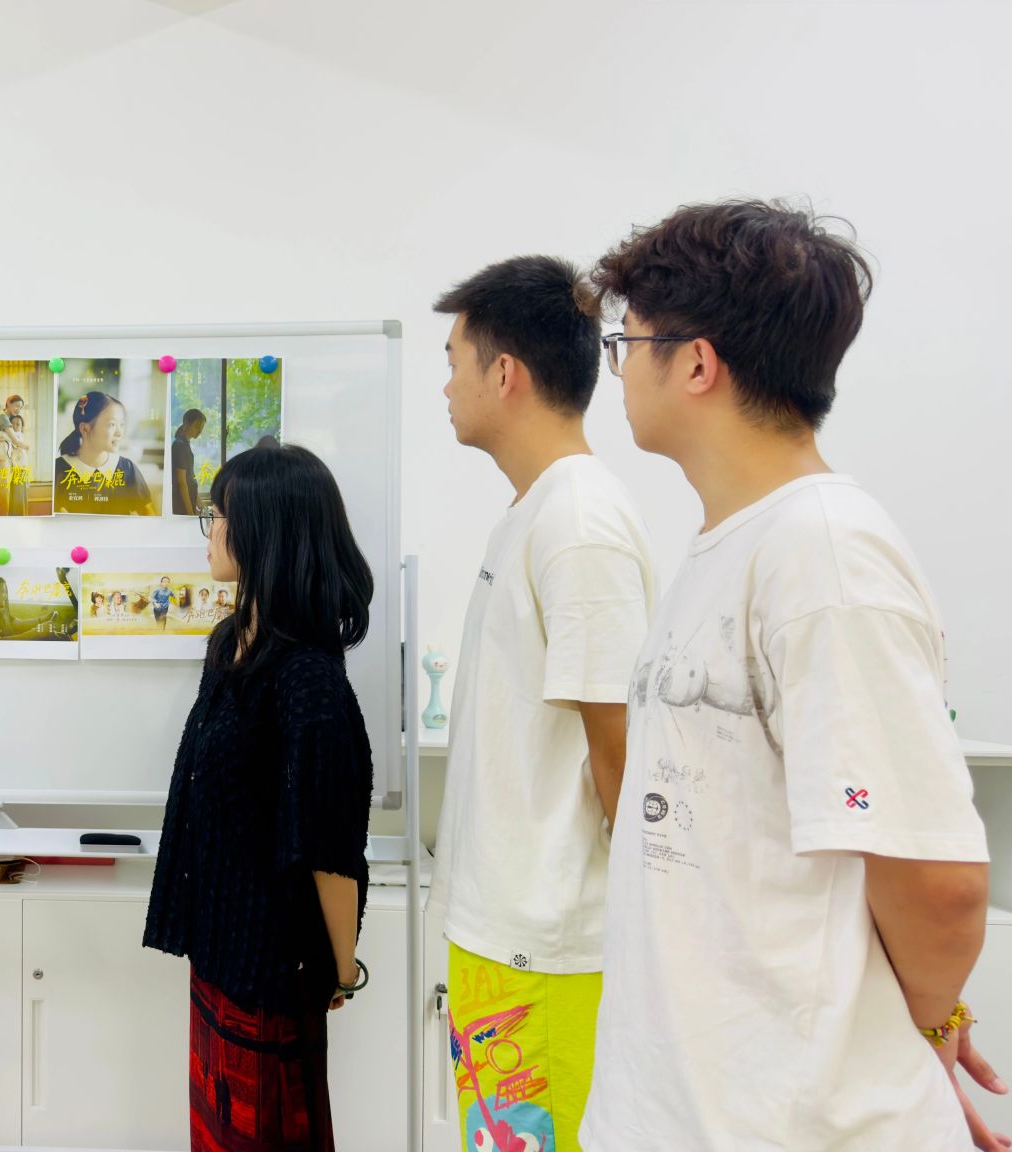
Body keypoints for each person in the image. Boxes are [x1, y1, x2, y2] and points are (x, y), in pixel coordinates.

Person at [581, 201, 1005, 1152]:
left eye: (628, 343)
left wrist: (923, 1028)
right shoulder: (733, 543)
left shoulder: (824, 557)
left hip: (790, 1121)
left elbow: (938, 885)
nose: (620, 370)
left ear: (697, 363)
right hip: (685, 1105)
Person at [424, 255, 657, 1151]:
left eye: (454, 361)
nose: (447, 386)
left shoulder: (579, 522)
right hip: (503, 937)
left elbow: (622, 751)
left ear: (505, 373)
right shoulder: (534, 511)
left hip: (546, 944)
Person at [145, 444, 376, 1151]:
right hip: (219, 955)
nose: (210, 529)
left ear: (265, 531)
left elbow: (330, 847)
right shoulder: (228, 644)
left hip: (273, 974)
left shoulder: (309, 680)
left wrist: (342, 970)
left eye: (221, 514)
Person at [55, 390, 154, 515]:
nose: (119, 433)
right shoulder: (57, 471)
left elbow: (149, 515)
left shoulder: (128, 469)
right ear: (85, 428)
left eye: (121, 424)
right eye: (112, 424)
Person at [172, 407, 207, 515]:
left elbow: (190, 480)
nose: (199, 431)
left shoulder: (184, 444)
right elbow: (182, 483)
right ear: (187, 423)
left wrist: (202, 507)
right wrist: (190, 513)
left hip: (188, 505)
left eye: (201, 428)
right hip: (182, 508)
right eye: (197, 426)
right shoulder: (180, 446)